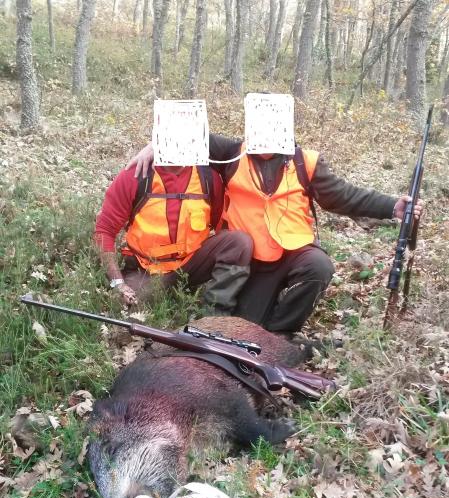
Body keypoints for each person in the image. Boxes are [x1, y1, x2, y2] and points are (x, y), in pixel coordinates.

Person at [127, 94, 423, 334]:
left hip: (294, 253)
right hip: (251, 262)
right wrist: (154, 145)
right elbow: (187, 134)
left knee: (319, 266)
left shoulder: (306, 162)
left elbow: (343, 196)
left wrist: (391, 207)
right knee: (244, 329)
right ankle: (260, 327)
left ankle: (282, 332)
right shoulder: (232, 154)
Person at [95, 100, 253, 312]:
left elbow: (221, 228)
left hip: (192, 265)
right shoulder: (136, 176)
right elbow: (104, 232)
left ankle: (213, 314)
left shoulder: (208, 178)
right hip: (147, 270)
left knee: (239, 242)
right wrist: (118, 283)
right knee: (129, 308)